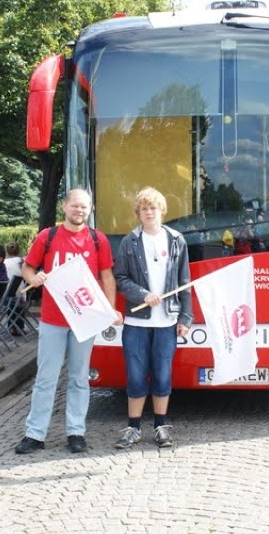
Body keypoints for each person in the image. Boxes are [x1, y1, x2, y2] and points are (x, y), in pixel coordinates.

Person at [14, 188, 123, 455]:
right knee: (46, 377)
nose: (79, 211)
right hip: (53, 319)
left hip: (84, 321)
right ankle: (35, 434)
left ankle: (76, 432)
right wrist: (32, 278)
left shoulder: (98, 240)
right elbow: (27, 267)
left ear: (90, 210)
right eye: (75, 205)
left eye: (84, 207)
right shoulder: (47, 237)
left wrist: (109, 310)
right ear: (65, 206)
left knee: (79, 378)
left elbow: (107, 276)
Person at [112, 187, 192, 449]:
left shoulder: (176, 240)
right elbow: (120, 278)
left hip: (166, 321)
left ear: (162, 210)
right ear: (138, 212)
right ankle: (133, 427)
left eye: (153, 208)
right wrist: (143, 294)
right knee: (135, 376)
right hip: (136, 323)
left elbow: (184, 282)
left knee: (162, 375)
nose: (148, 212)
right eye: (144, 208)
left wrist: (185, 317)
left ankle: (161, 426)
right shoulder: (129, 241)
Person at [3, 241, 27, 336]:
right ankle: (20, 327)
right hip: (20, 294)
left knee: (10, 304)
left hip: (6, 294)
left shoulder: (3, 262)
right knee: (18, 303)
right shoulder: (21, 261)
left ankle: (11, 327)